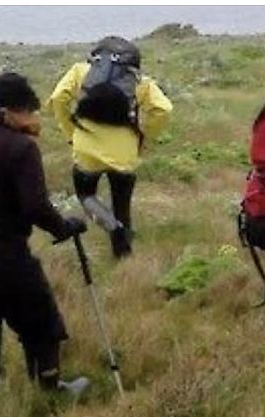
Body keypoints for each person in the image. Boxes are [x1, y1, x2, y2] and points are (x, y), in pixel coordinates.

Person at [0, 73, 89, 417]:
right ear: (12, 111)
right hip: (4, 256)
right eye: (29, 110)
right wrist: (64, 227)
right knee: (41, 322)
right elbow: (35, 206)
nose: (34, 119)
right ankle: (52, 390)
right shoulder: (20, 147)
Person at [49, 36, 172, 258]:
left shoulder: (79, 71)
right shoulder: (140, 82)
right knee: (122, 207)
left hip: (86, 151)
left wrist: (71, 133)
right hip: (124, 154)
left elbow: (58, 98)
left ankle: (113, 228)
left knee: (86, 196)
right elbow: (163, 109)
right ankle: (123, 254)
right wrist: (145, 138)